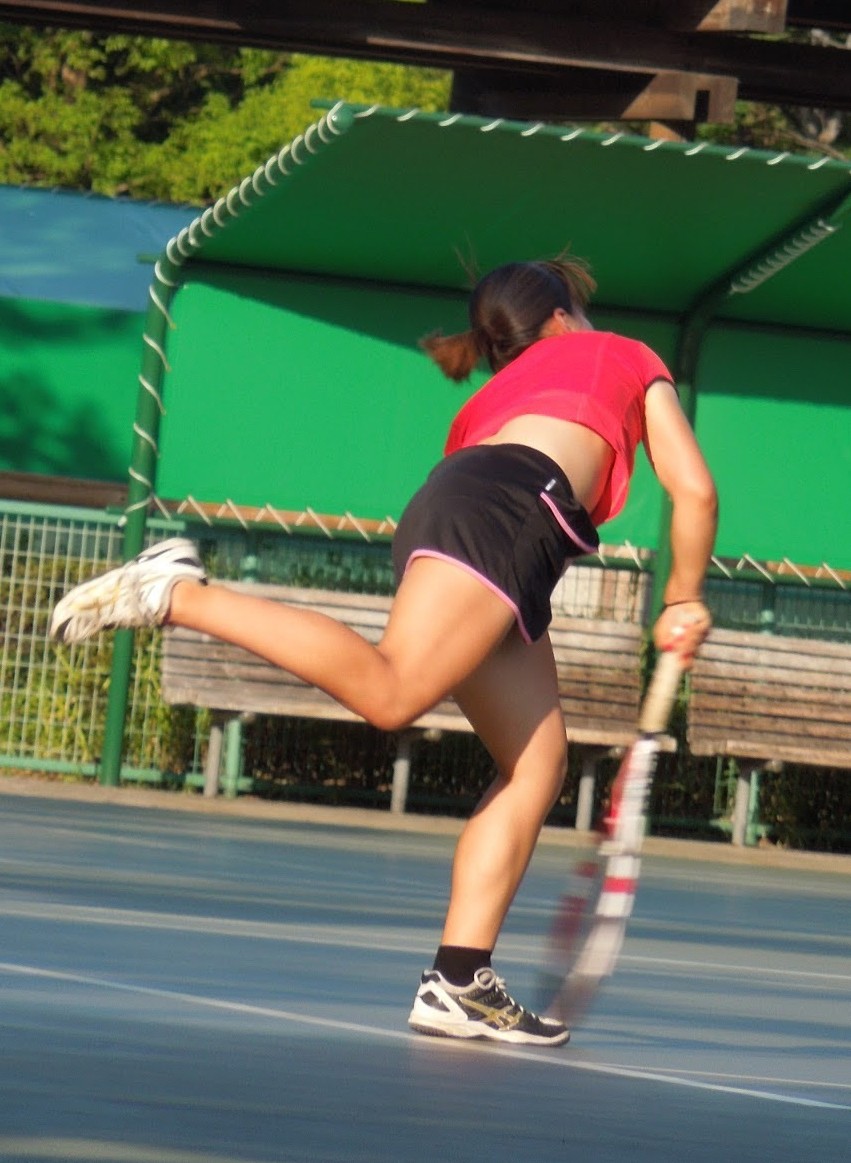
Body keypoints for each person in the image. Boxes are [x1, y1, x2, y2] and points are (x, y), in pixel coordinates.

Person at [51, 257, 717, 1048]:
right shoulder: (620, 353)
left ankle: (460, 979)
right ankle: (177, 593)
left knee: (534, 765)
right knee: (393, 692)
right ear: (561, 316)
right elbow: (694, 489)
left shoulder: (489, 402)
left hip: (468, 510)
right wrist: (681, 597)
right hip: (506, 517)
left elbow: (495, 484)